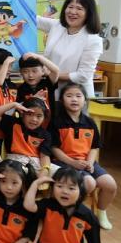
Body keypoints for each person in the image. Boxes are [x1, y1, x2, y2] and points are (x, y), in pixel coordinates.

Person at [24, 167, 112, 243]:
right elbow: (28, 205)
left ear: (80, 191)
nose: (65, 191)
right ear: (53, 188)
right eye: (59, 186)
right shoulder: (47, 206)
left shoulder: (87, 215)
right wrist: (36, 183)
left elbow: (94, 240)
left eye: (71, 188)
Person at [50, 82, 117, 230]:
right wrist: (72, 163)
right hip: (64, 163)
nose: (74, 99)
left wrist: (90, 163)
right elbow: (54, 149)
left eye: (78, 96)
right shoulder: (57, 122)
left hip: (87, 162)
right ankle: (72, 213)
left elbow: (94, 147)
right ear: (62, 100)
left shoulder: (90, 122)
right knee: (89, 183)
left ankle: (101, 213)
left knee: (110, 184)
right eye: (69, 96)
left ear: (85, 100)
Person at [38, 0, 103, 98]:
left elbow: (83, 75)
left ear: (89, 13)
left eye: (79, 8)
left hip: (77, 96)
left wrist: (52, 74)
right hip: (53, 90)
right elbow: (34, 20)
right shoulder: (58, 25)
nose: (73, 12)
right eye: (70, 7)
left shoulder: (93, 40)